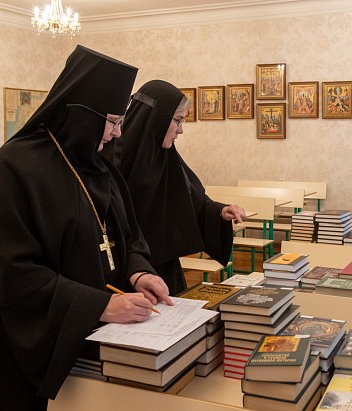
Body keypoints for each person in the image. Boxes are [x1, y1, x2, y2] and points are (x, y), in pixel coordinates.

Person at [0, 45, 173, 410]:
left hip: (90, 337)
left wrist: (138, 272)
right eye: (112, 121)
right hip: (18, 347)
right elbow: (10, 273)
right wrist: (99, 306)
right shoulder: (14, 167)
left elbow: (126, 235)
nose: (118, 133)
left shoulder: (98, 165)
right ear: (82, 114)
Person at [102, 80, 246, 296]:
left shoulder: (167, 156)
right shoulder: (112, 157)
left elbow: (190, 199)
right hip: (125, 269)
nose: (181, 130)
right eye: (177, 120)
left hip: (164, 263)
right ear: (157, 119)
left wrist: (220, 211)